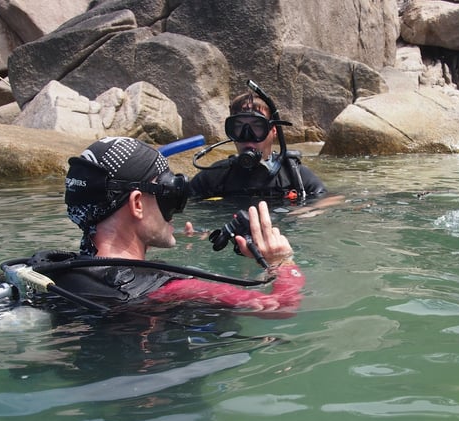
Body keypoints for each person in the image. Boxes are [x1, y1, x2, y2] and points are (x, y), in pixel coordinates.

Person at [42, 136, 304, 311]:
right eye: (169, 196)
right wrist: (282, 261)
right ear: (137, 204)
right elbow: (282, 306)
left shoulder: (49, 274)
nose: (175, 211)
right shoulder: (174, 288)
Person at [189, 91, 328, 203]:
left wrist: (305, 212)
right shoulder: (216, 176)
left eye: (257, 126)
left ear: (273, 130)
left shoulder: (293, 174)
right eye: (239, 127)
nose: (247, 135)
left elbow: (330, 200)